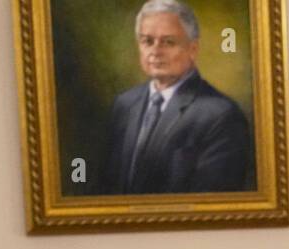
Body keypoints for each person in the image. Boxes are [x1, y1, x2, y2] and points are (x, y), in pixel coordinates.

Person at [101, 0, 252, 194]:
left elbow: (214, 201)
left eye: (168, 42)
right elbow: (107, 186)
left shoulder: (221, 115)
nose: (155, 51)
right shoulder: (124, 105)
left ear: (193, 49)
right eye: (147, 41)